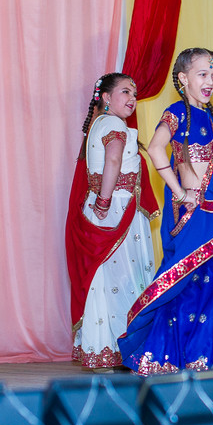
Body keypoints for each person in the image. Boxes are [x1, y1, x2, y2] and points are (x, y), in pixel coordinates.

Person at [118, 48, 213, 375]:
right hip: (193, 212)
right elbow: (156, 146)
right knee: (196, 282)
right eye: (202, 74)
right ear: (183, 79)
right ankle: (188, 353)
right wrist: (180, 192)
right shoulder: (177, 112)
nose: (210, 82)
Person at [65, 73, 157, 369]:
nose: (132, 98)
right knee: (127, 278)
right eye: (125, 92)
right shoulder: (116, 125)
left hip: (103, 205)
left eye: (135, 93)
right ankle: (125, 345)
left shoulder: (97, 125)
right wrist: (105, 201)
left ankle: (102, 347)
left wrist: (100, 201)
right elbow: (113, 162)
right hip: (116, 208)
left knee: (103, 279)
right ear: (106, 97)